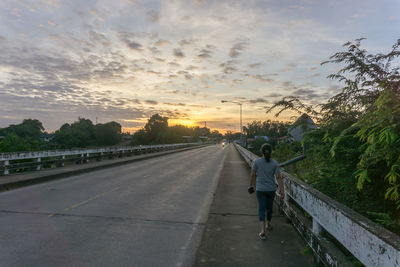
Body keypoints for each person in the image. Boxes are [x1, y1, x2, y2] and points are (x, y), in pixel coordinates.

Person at [249, 143, 284, 240]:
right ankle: (268, 224)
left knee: (261, 209)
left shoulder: (257, 162)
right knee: (269, 208)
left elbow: (252, 175)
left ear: (261, 151)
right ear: (271, 152)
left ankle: (262, 231)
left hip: (260, 189)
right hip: (271, 189)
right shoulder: (275, 163)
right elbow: (278, 178)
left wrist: (251, 185)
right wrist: (282, 190)